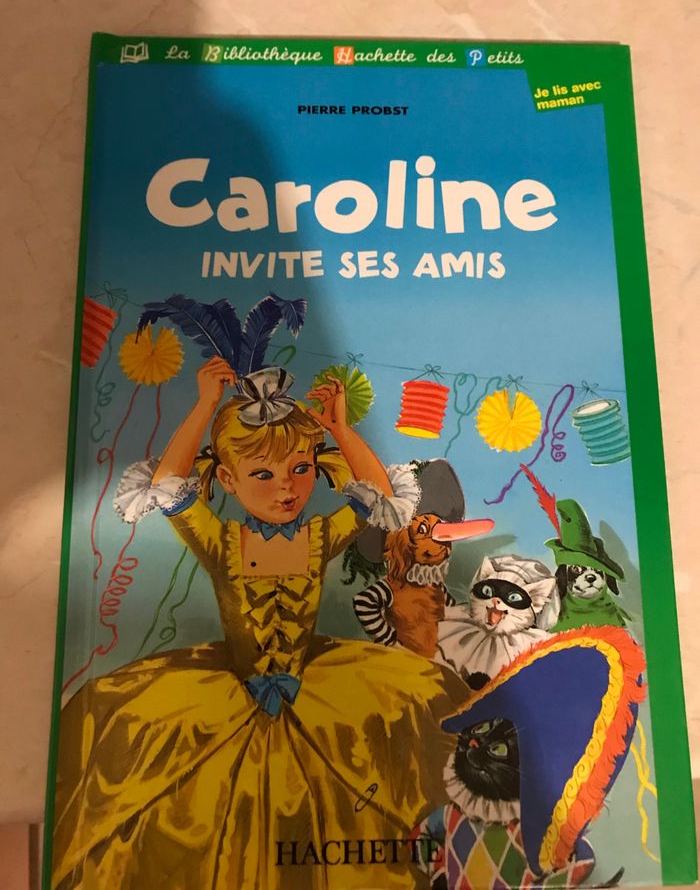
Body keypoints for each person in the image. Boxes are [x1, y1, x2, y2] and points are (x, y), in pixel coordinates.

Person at [52, 358, 469, 890]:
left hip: (315, 687)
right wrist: (205, 404)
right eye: (263, 475)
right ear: (228, 479)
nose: (286, 488)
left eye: (300, 469)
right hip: (233, 690)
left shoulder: (320, 537)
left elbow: (382, 495)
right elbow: (168, 483)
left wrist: (340, 429)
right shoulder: (220, 541)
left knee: (418, 710)